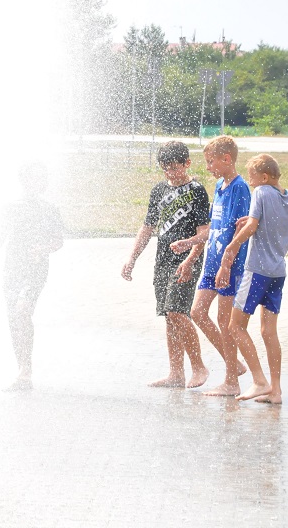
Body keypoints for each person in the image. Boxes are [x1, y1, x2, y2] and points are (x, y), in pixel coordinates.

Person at [122, 141, 210, 388]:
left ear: (187, 163)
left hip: (186, 260)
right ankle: (176, 374)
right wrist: (132, 258)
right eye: (165, 169)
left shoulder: (197, 190)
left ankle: (199, 367)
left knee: (177, 312)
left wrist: (191, 259)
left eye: (174, 167)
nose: (170, 173)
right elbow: (148, 228)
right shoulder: (158, 191)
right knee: (168, 317)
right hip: (163, 260)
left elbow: (204, 231)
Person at [170, 136, 250, 396]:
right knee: (198, 313)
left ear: (227, 159)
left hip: (229, 265)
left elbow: (238, 233)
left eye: (211, 162)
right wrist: (190, 245)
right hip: (212, 262)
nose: (208, 168)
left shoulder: (240, 188)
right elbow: (215, 228)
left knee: (224, 320)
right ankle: (233, 365)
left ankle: (231, 381)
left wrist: (226, 264)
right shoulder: (220, 185)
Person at [217, 153, 288, 405]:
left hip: (257, 271)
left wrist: (231, 248)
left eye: (252, 177)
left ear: (264, 177)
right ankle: (275, 391)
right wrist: (257, 223)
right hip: (278, 271)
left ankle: (258, 380)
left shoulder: (261, 192)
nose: (250, 182)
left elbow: (252, 227)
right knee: (268, 332)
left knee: (235, 326)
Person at [0, 162, 64, 391]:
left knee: (22, 311)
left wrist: (42, 249)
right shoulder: (10, 207)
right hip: (11, 270)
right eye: (29, 180)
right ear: (22, 181)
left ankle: (25, 370)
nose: (33, 184)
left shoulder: (49, 210)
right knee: (14, 319)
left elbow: (58, 241)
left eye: (38, 180)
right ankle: (22, 369)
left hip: (35, 270)